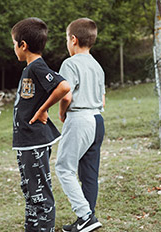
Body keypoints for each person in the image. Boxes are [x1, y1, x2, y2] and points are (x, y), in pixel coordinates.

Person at [11, 17, 70, 232]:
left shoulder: (37, 66)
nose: (13, 48)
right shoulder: (30, 68)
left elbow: (63, 87)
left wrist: (43, 109)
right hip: (26, 142)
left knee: (40, 194)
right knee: (30, 190)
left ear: (23, 45)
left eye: (14, 43)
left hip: (34, 140)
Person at [55, 18, 106, 232]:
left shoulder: (71, 63)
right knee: (89, 173)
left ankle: (85, 216)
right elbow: (103, 100)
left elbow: (66, 95)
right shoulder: (97, 66)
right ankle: (87, 218)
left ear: (73, 40)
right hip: (97, 119)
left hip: (80, 119)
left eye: (67, 39)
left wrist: (61, 113)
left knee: (64, 168)